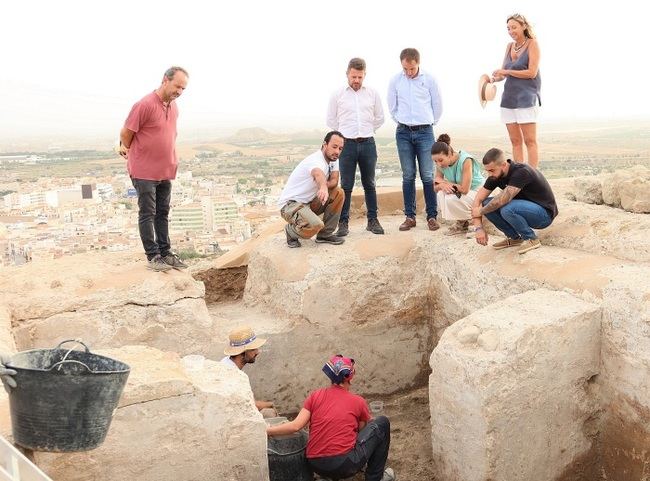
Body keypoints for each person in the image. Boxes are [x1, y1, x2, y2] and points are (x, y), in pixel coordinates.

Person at [266, 355, 395, 481]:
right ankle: (375, 477)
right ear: (350, 377)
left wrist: (267, 430)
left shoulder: (315, 396)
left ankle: (328, 475)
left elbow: (296, 425)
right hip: (345, 464)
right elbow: (360, 433)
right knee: (382, 423)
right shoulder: (358, 401)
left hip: (315, 464)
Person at [119, 66, 190, 272]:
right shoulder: (144, 104)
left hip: (164, 169)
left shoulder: (173, 107)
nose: (179, 92)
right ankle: (153, 256)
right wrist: (131, 150)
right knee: (148, 213)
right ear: (164, 80)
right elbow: (126, 133)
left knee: (163, 212)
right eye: (177, 86)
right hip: (144, 170)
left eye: (183, 89)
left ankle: (166, 253)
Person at [326, 57, 385, 237]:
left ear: (364, 75)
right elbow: (331, 120)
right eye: (353, 77)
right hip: (347, 146)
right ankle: (343, 223)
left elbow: (380, 117)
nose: (356, 80)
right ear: (347, 75)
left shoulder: (373, 93)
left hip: (368, 143)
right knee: (346, 185)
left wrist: (367, 131)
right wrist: (344, 136)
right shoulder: (337, 94)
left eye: (360, 77)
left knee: (370, 184)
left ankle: (372, 220)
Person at [387, 48, 443, 232]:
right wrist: (403, 121)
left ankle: (432, 217)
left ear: (417, 63)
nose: (409, 72)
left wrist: (428, 122)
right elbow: (392, 106)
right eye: (405, 69)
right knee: (408, 175)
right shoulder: (396, 80)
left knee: (427, 174)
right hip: (403, 132)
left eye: (412, 69)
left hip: (425, 132)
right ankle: (409, 217)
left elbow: (437, 105)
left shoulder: (429, 79)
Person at [471, 148, 558, 254]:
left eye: (492, 170)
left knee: (507, 208)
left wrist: (480, 211)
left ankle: (531, 239)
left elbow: (503, 199)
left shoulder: (522, 171)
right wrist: (478, 228)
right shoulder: (495, 176)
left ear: (503, 165)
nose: (489, 175)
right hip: (524, 210)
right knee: (486, 203)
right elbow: (478, 199)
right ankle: (514, 238)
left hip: (543, 215)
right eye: (487, 171)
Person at [490, 13, 541, 168]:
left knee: (530, 141)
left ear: (523, 26)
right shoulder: (509, 46)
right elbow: (504, 73)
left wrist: (506, 72)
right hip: (508, 99)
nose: (511, 31)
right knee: (515, 141)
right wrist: (493, 78)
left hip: (526, 98)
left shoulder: (533, 44)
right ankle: (520, 174)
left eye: (514, 27)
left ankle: (533, 176)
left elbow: (532, 72)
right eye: (508, 28)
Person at [278, 131, 346, 248]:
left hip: (308, 203)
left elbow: (334, 180)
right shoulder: (316, 160)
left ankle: (325, 235)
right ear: (325, 145)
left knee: (338, 193)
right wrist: (323, 187)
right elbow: (317, 173)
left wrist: (324, 186)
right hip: (290, 205)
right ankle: (290, 231)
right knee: (316, 225)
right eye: (334, 147)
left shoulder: (333, 160)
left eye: (340, 148)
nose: (337, 152)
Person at [432, 134, 484, 236]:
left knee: (451, 198)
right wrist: (441, 185)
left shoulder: (466, 160)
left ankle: (477, 222)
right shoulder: (441, 164)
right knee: (441, 194)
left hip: (479, 191)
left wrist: (444, 183)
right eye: (435, 161)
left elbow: (465, 189)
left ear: (450, 154)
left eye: (441, 160)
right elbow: (435, 187)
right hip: (463, 191)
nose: (438, 164)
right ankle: (462, 222)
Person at [221, 326, 276, 416]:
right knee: (270, 413)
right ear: (242, 352)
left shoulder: (226, 361)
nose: (258, 352)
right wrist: (270, 404)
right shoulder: (236, 377)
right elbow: (251, 406)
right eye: (253, 349)